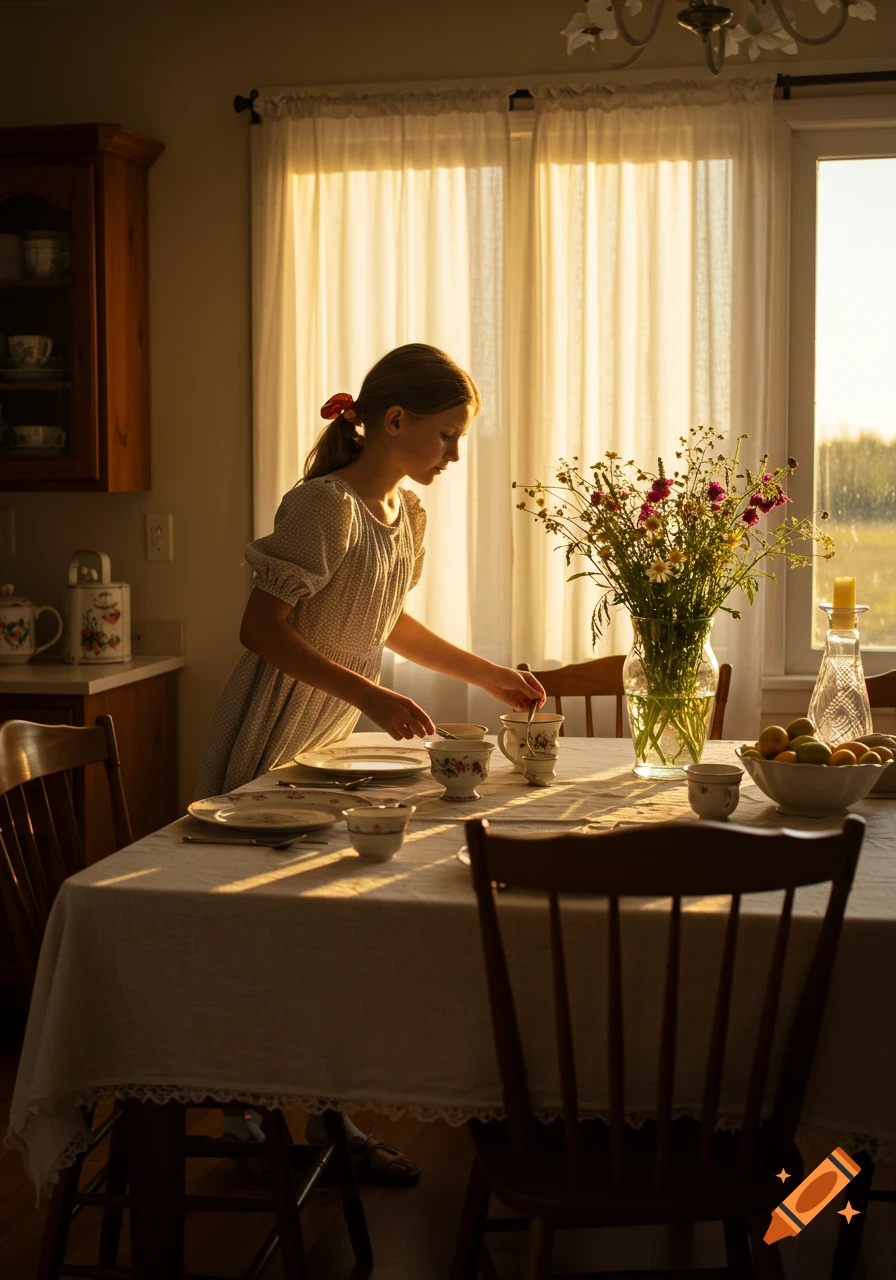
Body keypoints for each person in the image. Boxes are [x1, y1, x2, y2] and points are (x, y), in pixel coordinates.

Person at [196, 342, 545, 1184]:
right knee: (269, 935)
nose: (455, 455)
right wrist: (376, 698)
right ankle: (252, 1110)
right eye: (448, 435)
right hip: (274, 742)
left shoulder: (404, 518)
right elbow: (261, 630)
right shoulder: (324, 507)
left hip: (324, 745)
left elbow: (385, 620)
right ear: (394, 422)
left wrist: (489, 675)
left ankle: (319, 1113)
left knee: (324, 933)